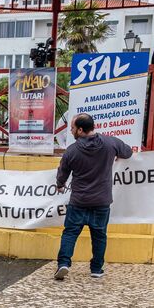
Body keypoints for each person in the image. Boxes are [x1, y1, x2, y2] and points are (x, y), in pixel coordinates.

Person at [54, 113, 133, 281]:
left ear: (81, 130)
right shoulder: (111, 143)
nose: (71, 130)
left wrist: (60, 185)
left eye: (73, 128)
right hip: (101, 201)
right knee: (99, 235)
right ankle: (96, 268)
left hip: (79, 201)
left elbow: (63, 172)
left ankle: (64, 264)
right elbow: (128, 152)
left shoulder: (72, 150)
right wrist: (116, 154)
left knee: (70, 233)